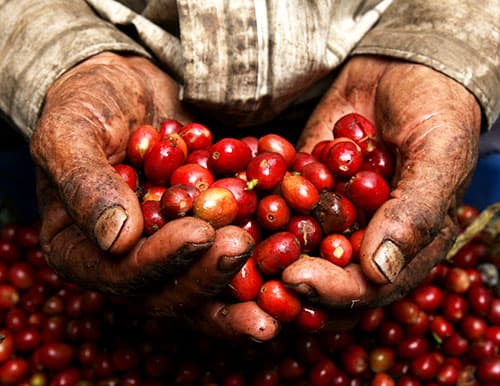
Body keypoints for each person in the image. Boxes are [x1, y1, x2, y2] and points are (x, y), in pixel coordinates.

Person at [0, 0, 498, 341]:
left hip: (375, 81)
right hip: (123, 84)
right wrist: (59, 55)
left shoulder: (309, 181)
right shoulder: (242, 185)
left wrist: (441, 49)